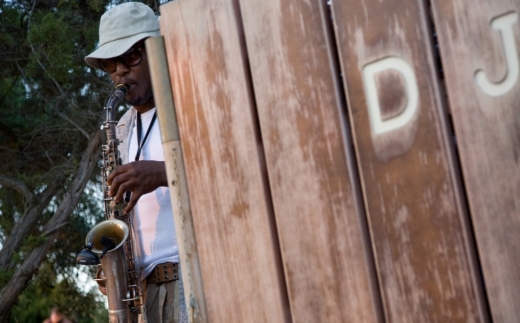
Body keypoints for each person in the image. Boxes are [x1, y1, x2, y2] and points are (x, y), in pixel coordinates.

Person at [84, 3, 187, 322]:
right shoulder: (121, 128)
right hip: (145, 295)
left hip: (195, 278)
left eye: (130, 56)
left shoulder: (191, 102)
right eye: (109, 63)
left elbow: (234, 173)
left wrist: (163, 173)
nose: (120, 70)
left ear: (157, 48)